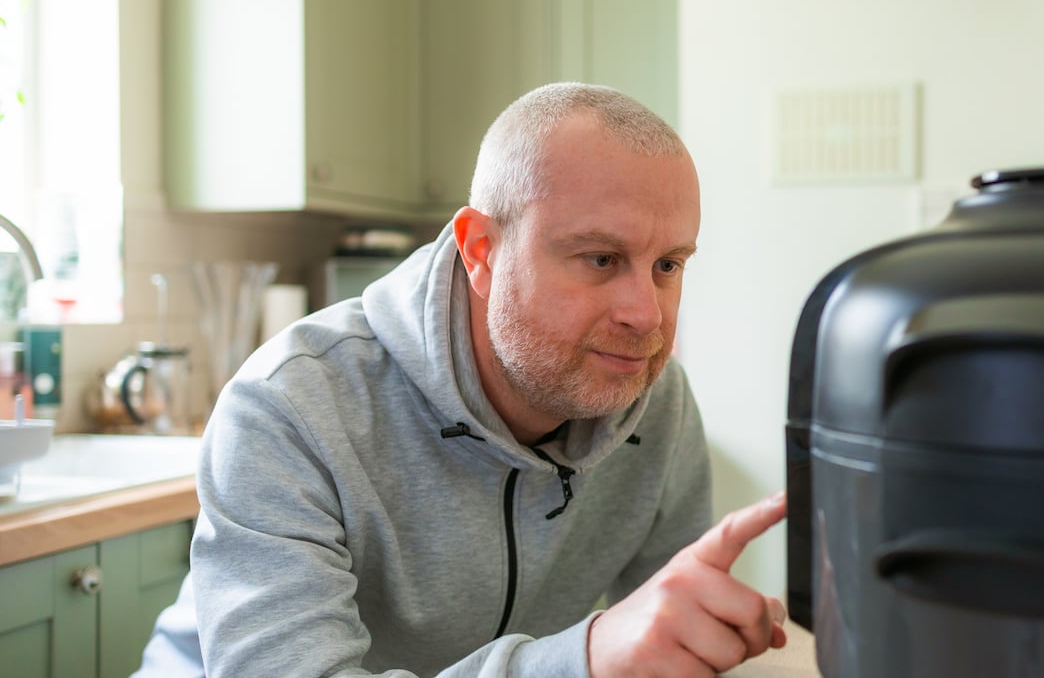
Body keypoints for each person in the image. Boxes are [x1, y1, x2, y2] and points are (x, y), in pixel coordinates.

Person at [133, 82, 787, 677]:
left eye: (668, 265)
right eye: (600, 258)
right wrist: (583, 659)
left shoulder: (655, 402)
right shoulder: (290, 408)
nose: (646, 315)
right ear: (481, 250)